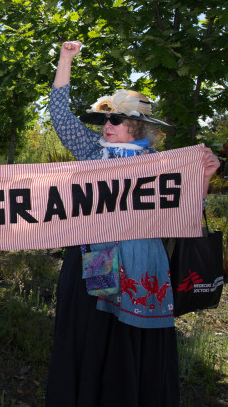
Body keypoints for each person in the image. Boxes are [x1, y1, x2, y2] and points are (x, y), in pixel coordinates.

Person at [45, 41, 220, 407]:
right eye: (105, 120)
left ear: (136, 126)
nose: (106, 126)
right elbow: (60, 115)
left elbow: (187, 214)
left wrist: (203, 177)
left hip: (141, 266)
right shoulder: (92, 152)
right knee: (91, 340)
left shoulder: (161, 164)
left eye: (115, 120)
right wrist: (65, 59)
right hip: (91, 264)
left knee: (127, 347)